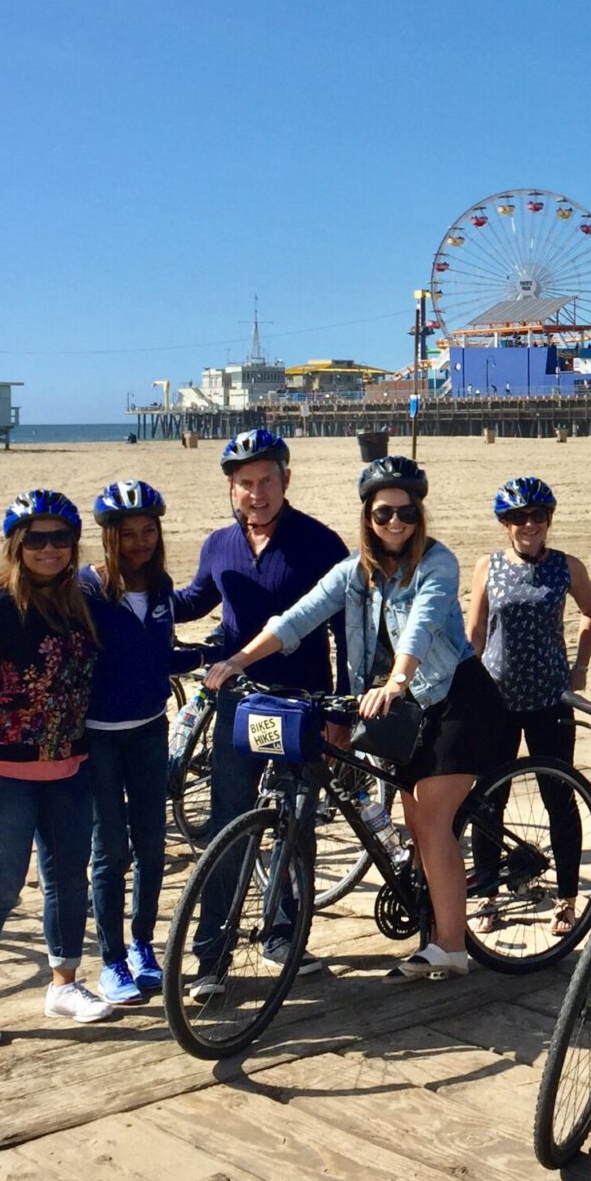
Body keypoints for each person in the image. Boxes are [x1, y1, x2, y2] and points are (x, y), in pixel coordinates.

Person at [210, 456, 506, 981]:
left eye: (407, 513)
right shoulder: (354, 571)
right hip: (407, 707)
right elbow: (297, 617)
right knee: (414, 819)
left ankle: (450, 947)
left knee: (431, 820)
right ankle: (435, 926)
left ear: (420, 516)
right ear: (368, 518)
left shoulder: (437, 563)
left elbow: (423, 622)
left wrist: (395, 680)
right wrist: (239, 660)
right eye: (384, 513)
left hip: (457, 699)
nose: (396, 523)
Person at [0, 491, 115, 1046]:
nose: (49, 549)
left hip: (68, 766)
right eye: (36, 539)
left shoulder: (78, 602)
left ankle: (64, 983)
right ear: (17, 546)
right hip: (1, 772)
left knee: (67, 880)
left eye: (61, 538)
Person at [174, 429, 350, 977]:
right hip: (239, 704)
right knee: (230, 823)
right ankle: (211, 957)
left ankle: (284, 936)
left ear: (286, 480)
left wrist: (341, 712)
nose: (256, 493)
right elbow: (194, 600)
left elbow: (346, 633)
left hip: (303, 706)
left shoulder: (321, 543)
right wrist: (130, 590)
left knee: (295, 824)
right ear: (232, 488)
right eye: (245, 483)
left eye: (266, 480)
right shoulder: (218, 545)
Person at [77, 481, 201, 1004]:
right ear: (110, 537)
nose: (140, 541)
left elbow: (156, 657)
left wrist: (205, 656)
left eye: (149, 531)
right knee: (111, 851)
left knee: (152, 845)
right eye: (128, 534)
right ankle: (110, 960)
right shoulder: (85, 589)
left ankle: (142, 945)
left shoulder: (161, 586)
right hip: (99, 739)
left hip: (150, 730)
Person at [467, 476, 591, 936]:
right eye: (519, 517)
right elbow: (476, 631)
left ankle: (567, 899)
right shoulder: (488, 566)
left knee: (558, 798)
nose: (529, 524)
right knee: (488, 801)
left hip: (549, 699)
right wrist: (467, 685)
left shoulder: (567, 566)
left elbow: (590, 613)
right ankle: (486, 896)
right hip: (496, 701)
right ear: (505, 523)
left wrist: (580, 667)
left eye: (537, 516)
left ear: (549, 520)